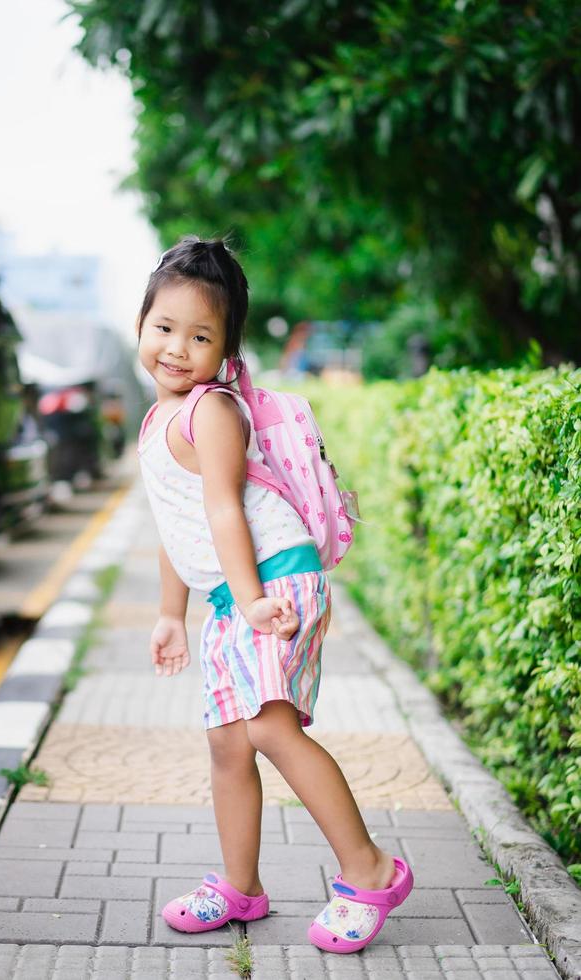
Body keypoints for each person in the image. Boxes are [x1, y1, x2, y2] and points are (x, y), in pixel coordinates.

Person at [135, 235, 413, 953]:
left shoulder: (212, 411)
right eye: (164, 328)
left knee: (268, 727)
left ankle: (371, 869)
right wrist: (173, 613)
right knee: (228, 744)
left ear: (225, 350)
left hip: (274, 579)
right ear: (141, 324)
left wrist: (254, 601)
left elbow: (226, 510)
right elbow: (180, 522)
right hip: (236, 592)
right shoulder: (153, 420)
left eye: (199, 336)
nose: (176, 348)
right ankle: (241, 888)